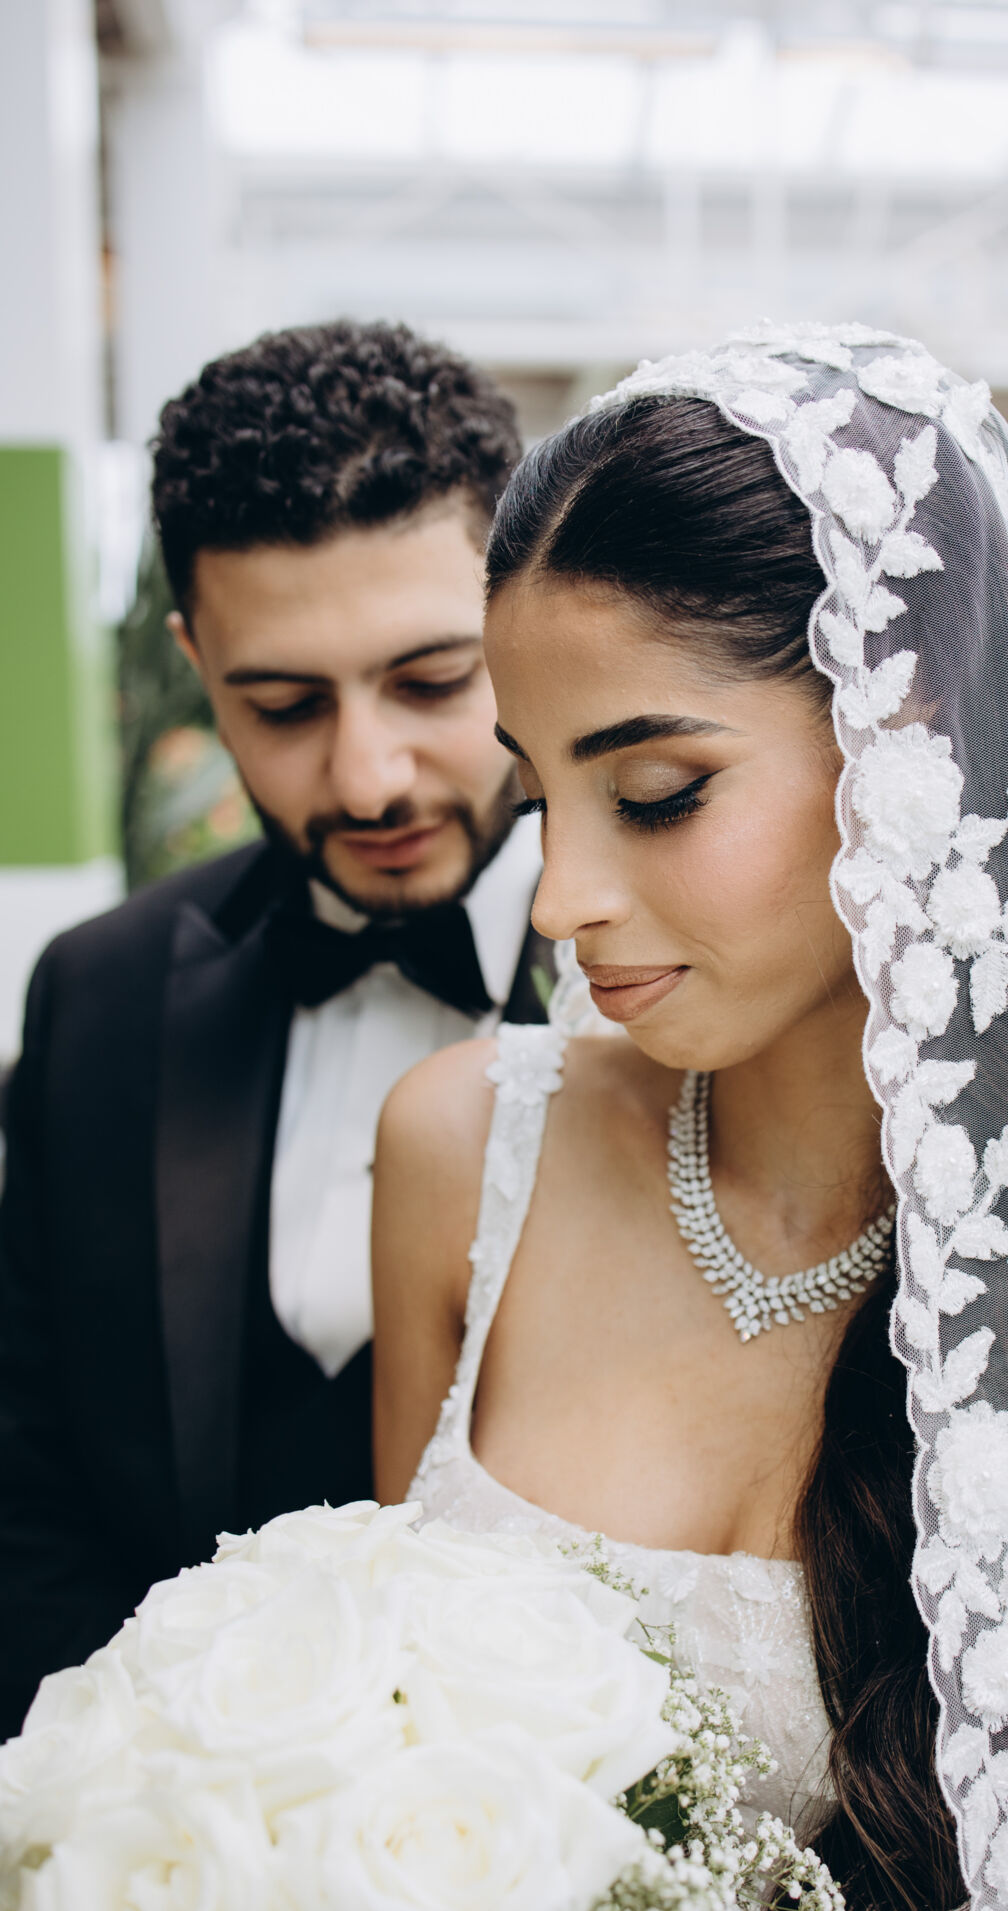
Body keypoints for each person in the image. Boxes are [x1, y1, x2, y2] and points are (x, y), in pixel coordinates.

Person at [373, 325, 1008, 1911]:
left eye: (654, 792)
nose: (561, 900)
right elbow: (376, 1766)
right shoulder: (463, 1155)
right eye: (536, 799)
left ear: (905, 728)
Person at [0, 320, 551, 1738]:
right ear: (196, 660)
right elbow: (27, 1492)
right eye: (285, 705)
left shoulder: (689, 985)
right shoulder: (98, 999)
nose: (367, 778)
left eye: (432, 681)